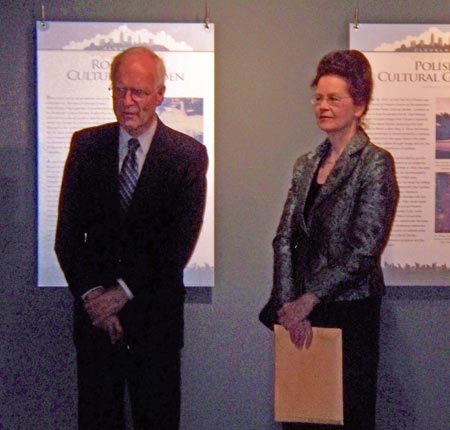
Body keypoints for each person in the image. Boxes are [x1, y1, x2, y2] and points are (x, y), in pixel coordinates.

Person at [55, 46, 208, 430]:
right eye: (119, 90)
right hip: (94, 325)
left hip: (155, 321)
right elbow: (68, 236)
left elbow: (178, 244)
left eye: (138, 92)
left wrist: (121, 294)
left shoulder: (187, 155)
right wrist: (94, 300)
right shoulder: (86, 146)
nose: (127, 102)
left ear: (159, 95)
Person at [259, 50, 399, 430]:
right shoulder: (306, 163)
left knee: (345, 415)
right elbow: (284, 237)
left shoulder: (375, 163)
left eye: (334, 98)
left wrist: (308, 299)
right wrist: (289, 305)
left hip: (350, 311)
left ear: (360, 105)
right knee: (301, 414)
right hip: (302, 313)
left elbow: (364, 250)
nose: (323, 106)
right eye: (318, 97)